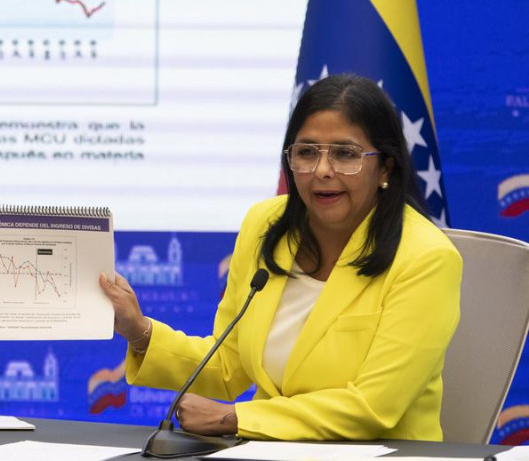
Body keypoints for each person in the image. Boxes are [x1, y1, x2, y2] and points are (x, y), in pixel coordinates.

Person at [99, 73, 462, 441]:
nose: (322, 170)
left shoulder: (426, 259)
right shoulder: (265, 226)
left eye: (345, 154)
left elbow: (374, 407)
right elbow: (227, 366)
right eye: (306, 152)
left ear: (385, 167)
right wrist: (139, 331)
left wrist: (234, 419)